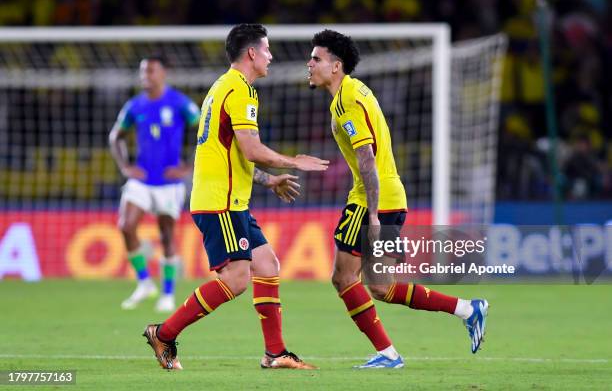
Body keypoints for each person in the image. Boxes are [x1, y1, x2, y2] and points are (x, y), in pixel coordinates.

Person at [143, 23, 328, 370]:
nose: (271, 56)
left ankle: (275, 353)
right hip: (221, 202)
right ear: (252, 53)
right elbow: (252, 149)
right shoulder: (238, 90)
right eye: (268, 50)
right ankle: (164, 333)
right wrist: (293, 160)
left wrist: (268, 180)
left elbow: (231, 152)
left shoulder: (223, 87)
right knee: (237, 278)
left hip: (232, 201)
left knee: (268, 265)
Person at [307, 29, 489, 368]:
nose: (310, 64)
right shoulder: (355, 92)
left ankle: (388, 353)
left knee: (344, 278)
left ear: (336, 66)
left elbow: (367, 159)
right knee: (382, 287)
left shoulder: (346, 101)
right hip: (392, 195)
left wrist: (373, 215)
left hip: (370, 200)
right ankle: (467, 309)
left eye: (317, 58)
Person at [109, 56, 200, 312]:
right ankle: (144, 282)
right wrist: (125, 166)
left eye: (150, 71)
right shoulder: (134, 106)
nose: (145, 76)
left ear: (163, 73)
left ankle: (168, 293)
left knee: (166, 235)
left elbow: (205, 130)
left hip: (169, 182)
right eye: (142, 72)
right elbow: (115, 136)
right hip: (142, 179)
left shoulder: (180, 102)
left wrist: (188, 167)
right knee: (126, 226)